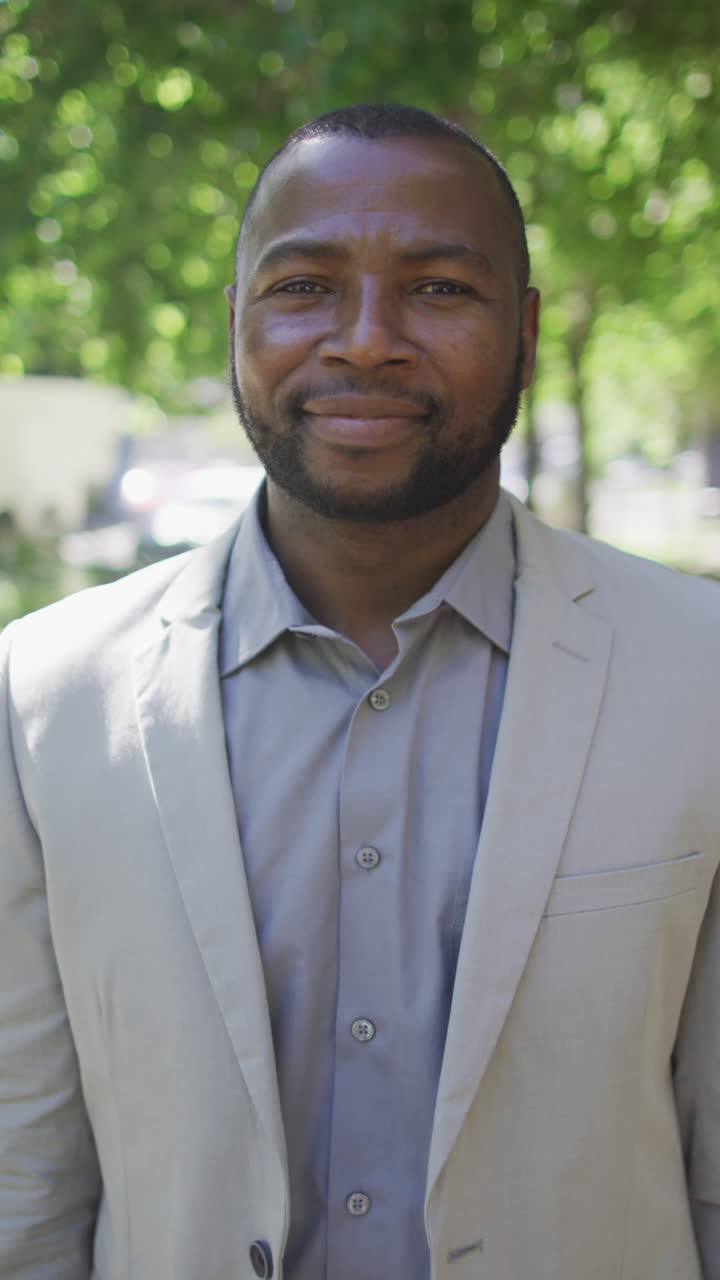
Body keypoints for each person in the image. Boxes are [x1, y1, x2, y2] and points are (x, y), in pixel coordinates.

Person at [1, 103, 719, 1280]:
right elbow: (24, 1172)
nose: (368, 340)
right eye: (304, 287)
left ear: (527, 334)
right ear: (235, 325)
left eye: (439, 289)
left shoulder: (701, 674)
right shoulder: (45, 695)